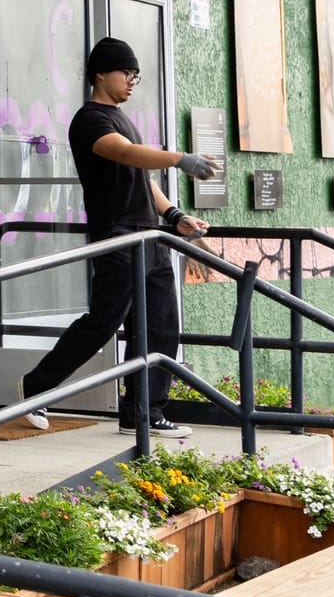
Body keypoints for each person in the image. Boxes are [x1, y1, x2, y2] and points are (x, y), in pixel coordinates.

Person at [20, 37, 220, 439]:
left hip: (152, 236)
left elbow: (142, 178)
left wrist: (175, 215)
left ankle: (143, 412)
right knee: (104, 322)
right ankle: (35, 388)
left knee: (162, 326)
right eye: (126, 73)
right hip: (119, 237)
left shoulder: (121, 119)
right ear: (101, 74)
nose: (132, 81)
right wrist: (181, 159)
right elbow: (126, 155)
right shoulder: (90, 119)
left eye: (136, 76)